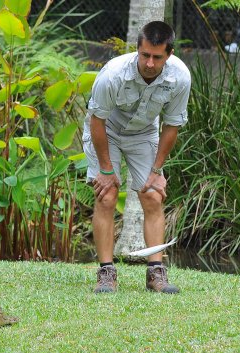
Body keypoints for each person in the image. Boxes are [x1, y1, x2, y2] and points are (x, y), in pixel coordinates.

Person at [84, 21, 192, 294]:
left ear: (169, 54)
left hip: (144, 133)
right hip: (106, 130)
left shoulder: (180, 77)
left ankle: (156, 273)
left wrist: (157, 169)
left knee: (153, 194)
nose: (150, 63)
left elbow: (172, 125)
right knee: (106, 195)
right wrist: (107, 171)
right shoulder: (113, 75)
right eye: (145, 55)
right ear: (137, 50)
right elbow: (97, 121)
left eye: (157, 57)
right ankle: (106, 272)